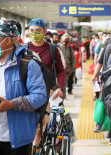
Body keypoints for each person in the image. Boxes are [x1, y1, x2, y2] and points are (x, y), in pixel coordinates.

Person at [0, 19, 47, 154]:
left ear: (8, 40)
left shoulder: (29, 65)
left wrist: (11, 104)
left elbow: (40, 96)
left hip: (17, 139)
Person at [27, 18, 65, 154]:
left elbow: (60, 70)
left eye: (38, 31)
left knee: (40, 124)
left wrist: (59, 87)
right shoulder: (24, 49)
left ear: (44, 31)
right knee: (26, 123)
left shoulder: (53, 49)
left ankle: (35, 151)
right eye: (32, 30)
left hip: (45, 91)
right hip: (26, 91)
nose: (35, 33)